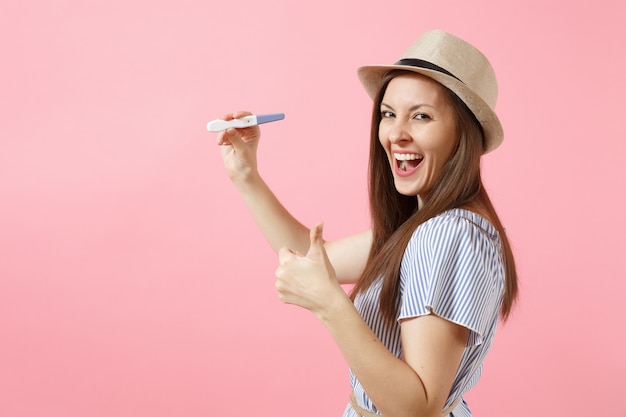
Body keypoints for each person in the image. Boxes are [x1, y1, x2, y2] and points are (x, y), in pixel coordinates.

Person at [215, 30, 518, 417]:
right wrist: (246, 176)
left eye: (421, 116)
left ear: (464, 134)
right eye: (389, 114)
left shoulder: (448, 234)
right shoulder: (427, 226)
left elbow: (418, 408)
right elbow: (311, 258)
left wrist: (330, 304)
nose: (396, 133)